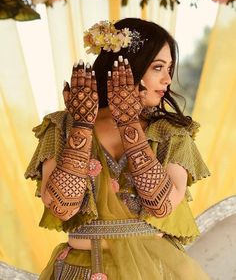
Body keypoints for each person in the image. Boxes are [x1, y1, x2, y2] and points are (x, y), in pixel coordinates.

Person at [25, 18, 211, 280]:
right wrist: (81, 126)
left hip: (152, 271)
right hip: (79, 271)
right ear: (127, 69)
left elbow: (163, 206)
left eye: (169, 68)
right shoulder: (63, 126)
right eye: (158, 67)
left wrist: (129, 126)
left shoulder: (170, 132)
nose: (168, 79)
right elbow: (61, 208)